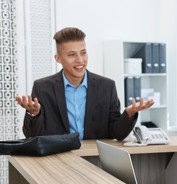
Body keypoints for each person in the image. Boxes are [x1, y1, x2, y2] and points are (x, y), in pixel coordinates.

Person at [15, 27, 154, 140]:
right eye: (71, 55)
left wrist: (128, 115)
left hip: (95, 160)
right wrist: (34, 114)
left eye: (83, 53)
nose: (80, 60)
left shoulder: (107, 87)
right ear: (58, 58)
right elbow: (32, 136)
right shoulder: (43, 88)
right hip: (58, 159)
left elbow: (117, 134)